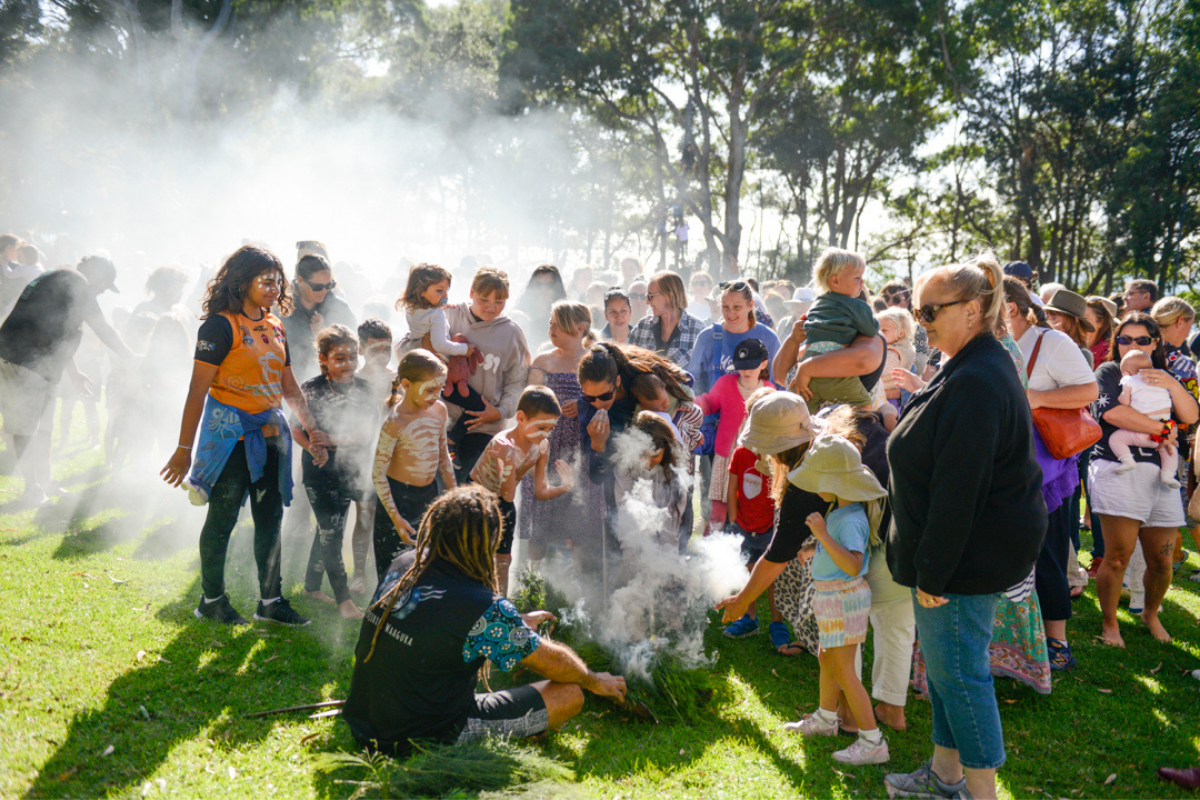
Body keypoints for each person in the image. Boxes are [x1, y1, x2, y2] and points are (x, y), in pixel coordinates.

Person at [885, 253, 1047, 800]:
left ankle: (980, 792)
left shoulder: (976, 378)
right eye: (917, 309)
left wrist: (932, 571)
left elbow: (961, 489)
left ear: (973, 311)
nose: (921, 320)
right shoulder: (969, 362)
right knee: (951, 670)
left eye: (930, 311)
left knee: (959, 675)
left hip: (963, 556)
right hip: (966, 550)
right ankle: (945, 775)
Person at [343, 485, 628, 755]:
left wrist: (516, 622)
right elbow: (552, 663)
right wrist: (593, 679)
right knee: (569, 695)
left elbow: (434, 615)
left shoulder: (405, 563)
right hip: (421, 735)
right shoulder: (480, 607)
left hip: (364, 720)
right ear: (484, 541)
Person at [160, 245, 323, 627]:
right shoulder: (219, 326)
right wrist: (184, 450)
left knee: (269, 519)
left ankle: (270, 601)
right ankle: (211, 600)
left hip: (271, 436)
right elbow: (197, 391)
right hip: (230, 439)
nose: (273, 287)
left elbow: (288, 385)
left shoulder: (275, 324)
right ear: (242, 281)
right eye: (265, 280)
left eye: (277, 281)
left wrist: (311, 427)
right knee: (223, 518)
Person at [1088, 312, 1198, 647]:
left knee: (1163, 561)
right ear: (1116, 343)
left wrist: (1169, 383)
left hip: (1162, 475)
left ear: (1155, 343)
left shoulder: (1166, 375)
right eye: (1124, 339)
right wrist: (1166, 429)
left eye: (1141, 340)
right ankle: (1110, 625)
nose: (1131, 345)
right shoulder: (1107, 372)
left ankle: (1151, 614)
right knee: (1118, 556)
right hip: (1116, 467)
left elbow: (1192, 416)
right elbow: (1112, 414)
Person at [1008, 282, 1099, 671]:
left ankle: (1057, 641)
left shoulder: (1051, 342)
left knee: (1046, 550)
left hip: (1043, 467)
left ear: (1009, 307)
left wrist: (1038, 398)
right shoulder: (984, 343)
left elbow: (1089, 390)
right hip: (1000, 465)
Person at [785, 435, 889, 766]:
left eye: (821, 481)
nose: (816, 488)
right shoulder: (840, 510)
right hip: (832, 599)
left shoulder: (851, 518)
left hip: (844, 600)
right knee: (827, 658)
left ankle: (873, 742)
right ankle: (826, 719)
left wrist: (822, 536)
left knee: (845, 670)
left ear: (838, 483)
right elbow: (839, 554)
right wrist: (816, 549)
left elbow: (853, 563)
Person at [0, 255, 135, 505]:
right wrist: (133, 358)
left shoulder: (60, 277)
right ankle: (32, 489)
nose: (104, 290)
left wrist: (73, 372)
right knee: (25, 429)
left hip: (40, 364)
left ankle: (46, 481)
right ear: (96, 273)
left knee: (43, 429)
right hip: (22, 359)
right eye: (106, 283)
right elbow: (102, 326)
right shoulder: (75, 281)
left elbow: (56, 329)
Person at [294, 325, 378, 620]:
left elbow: (367, 432)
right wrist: (312, 448)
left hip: (351, 470)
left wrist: (332, 441)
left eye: (352, 357)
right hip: (318, 471)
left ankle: (311, 588)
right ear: (323, 359)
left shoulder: (366, 390)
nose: (348, 364)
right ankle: (344, 601)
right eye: (339, 358)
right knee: (331, 531)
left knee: (332, 528)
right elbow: (295, 428)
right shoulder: (310, 389)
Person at [470, 386, 575, 595]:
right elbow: (507, 495)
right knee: (477, 557)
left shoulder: (542, 445)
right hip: (476, 500)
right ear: (520, 418)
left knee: (504, 560)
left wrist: (565, 486)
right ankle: (476, 603)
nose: (545, 434)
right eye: (541, 427)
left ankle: (500, 604)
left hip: (503, 501)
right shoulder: (502, 445)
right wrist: (508, 462)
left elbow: (540, 491)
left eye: (550, 429)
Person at [522, 302, 604, 561]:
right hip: (547, 450)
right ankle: (531, 587)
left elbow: (609, 400)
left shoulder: (596, 361)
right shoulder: (543, 360)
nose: (552, 329)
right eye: (550, 324)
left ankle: (576, 588)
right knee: (540, 527)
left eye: (558, 324)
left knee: (580, 527)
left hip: (582, 451)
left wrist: (584, 405)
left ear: (579, 328)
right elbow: (529, 400)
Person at [443, 266, 532, 486]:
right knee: (440, 497)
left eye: (499, 302)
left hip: (485, 429)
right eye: (484, 299)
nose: (491, 307)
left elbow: (517, 382)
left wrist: (501, 412)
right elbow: (407, 346)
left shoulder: (512, 333)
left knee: (471, 499)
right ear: (471, 292)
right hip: (442, 423)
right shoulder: (447, 315)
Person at [372, 349, 456, 582]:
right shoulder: (395, 422)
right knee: (393, 571)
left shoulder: (439, 410)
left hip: (428, 496)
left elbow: (442, 456)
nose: (435, 396)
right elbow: (378, 474)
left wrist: (453, 494)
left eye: (439, 389)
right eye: (430, 390)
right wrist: (396, 518)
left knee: (424, 566)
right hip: (398, 499)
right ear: (407, 385)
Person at [394, 263, 485, 443]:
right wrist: (465, 349)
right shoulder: (436, 315)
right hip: (441, 370)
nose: (445, 295)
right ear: (422, 291)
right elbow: (440, 344)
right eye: (439, 290)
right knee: (477, 405)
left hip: (421, 367)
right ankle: (452, 439)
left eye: (446, 291)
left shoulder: (413, 309)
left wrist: (440, 306)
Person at [695, 338, 775, 535]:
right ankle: (711, 555)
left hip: (755, 460)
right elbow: (709, 403)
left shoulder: (769, 391)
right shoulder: (725, 383)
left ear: (764, 364)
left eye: (751, 366)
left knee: (749, 507)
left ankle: (745, 553)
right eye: (741, 367)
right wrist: (693, 404)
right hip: (726, 457)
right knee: (718, 514)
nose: (746, 372)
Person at [801, 249, 881, 411]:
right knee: (864, 405)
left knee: (808, 416)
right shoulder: (857, 305)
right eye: (857, 278)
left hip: (809, 365)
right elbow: (871, 329)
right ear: (835, 281)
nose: (862, 283)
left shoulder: (816, 304)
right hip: (837, 368)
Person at [612, 411, 690, 548]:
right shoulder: (625, 466)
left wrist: (667, 559)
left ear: (666, 450)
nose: (648, 462)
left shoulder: (675, 471)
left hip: (667, 534)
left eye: (654, 456)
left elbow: (670, 524)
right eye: (642, 455)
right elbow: (626, 510)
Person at [279, 254, 356, 384]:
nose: (324, 291)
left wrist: (326, 335)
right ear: (300, 280)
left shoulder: (339, 307)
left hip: (330, 384)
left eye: (329, 285)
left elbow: (356, 345)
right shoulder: (281, 307)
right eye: (317, 287)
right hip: (287, 382)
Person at [1109, 350, 1181, 485]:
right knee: (1170, 451)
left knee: (1116, 439)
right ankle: (1168, 475)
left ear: (1127, 372)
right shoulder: (1161, 380)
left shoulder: (1130, 380)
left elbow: (1124, 402)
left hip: (1141, 431)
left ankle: (1127, 461)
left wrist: (1120, 395)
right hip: (1164, 433)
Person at [627, 271, 706, 369]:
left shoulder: (697, 329)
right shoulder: (642, 326)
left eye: (651, 296)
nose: (647, 302)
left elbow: (703, 375)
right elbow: (625, 361)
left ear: (669, 295)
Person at [516, 265, 568, 351]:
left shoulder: (564, 314)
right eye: (539, 285)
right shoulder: (522, 311)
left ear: (556, 288)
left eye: (549, 285)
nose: (543, 289)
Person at [1042, 289, 1096, 368]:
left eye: (1054, 318)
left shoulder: (1082, 354)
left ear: (1074, 320)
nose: (1048, 323)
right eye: (1047, 317)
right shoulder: (1043, 345)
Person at [876, 308, 916, 410]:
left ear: (901, 333)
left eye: (884, 330)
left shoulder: (893, 353)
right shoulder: (903, 349)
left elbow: (877, 371)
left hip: (887, 400)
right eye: (877, 329)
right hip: (889, 398)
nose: (879, 333)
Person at [1085, 296, 1117, 366]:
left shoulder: (1113, 354)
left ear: (1100, 323)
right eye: (1076, 318)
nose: (1078, 323)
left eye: (1085, 319)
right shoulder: (1067, 347)